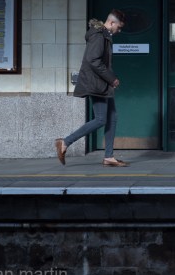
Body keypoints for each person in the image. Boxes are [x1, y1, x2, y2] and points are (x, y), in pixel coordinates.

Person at [54, 9, 129, 167]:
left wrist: (110, 80)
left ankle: (109, 156)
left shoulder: (103, 35)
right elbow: (93, 60)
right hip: (97, 84)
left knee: (112, 117)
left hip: (102, 83)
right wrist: (111, 79)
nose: (119, 31)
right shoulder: (99, 35)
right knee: (101, 119)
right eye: (119, 27)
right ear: (112, 23)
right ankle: (65, 142)